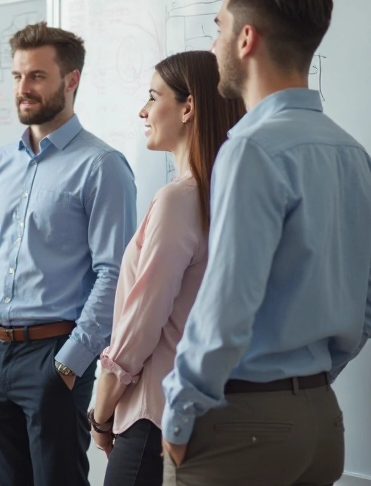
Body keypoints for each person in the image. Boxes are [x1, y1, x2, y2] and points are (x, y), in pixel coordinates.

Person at [161, 0, 371, 486]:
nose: (212, 44)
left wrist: (178, 414)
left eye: (217, 28)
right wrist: (305, 384)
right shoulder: (352, 152)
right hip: (321, 421)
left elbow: (225, 309)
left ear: (245, 40)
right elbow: (369, 309)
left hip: (241, 428)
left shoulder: (250, 149)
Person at [0, 22, 137, 486]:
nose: (23, 88)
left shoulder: (102, 166)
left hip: (54, 358)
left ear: (71, 80)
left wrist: (70, 361)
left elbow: (114, 273)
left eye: (37, 76)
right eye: (18, 76)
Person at [88, 51, 245, 486]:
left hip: (153, 419)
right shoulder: (234, 199)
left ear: (188, 107)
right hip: (210, 416)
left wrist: (101, 412)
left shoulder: (178, 200)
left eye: (154, 96)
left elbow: (143, 321)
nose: (143, 110)